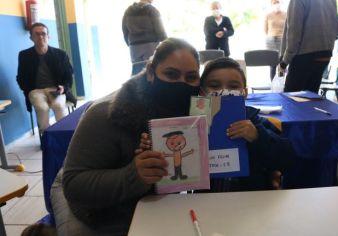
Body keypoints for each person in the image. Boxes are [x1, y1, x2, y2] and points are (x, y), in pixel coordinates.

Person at [57, 38, 200, 235]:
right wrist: (134, 175)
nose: (181, 84)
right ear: (150, 72)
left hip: (144, 202)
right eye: (171, 74)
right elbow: (73, 185)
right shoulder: (105, 113)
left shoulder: (194, 111)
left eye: (191, 77)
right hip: (88, 200)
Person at [139, 57, 296, 192]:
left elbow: (288, 158)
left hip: (251, 200)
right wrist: (155, 146)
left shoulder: (257, 122)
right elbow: (173, 164)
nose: (223, 91)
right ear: (202, 92)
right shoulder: (190, 125)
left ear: (244, 92)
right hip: (205, 202)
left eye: (233, 86)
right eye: (214, 86)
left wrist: (258, 136)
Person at [16, 22, 76, 135]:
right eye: (37, 34)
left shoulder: (60, 54)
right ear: (31, 38)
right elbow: (20, 77)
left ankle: (64, 136)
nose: (40, 37)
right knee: (42, 107)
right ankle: (46, 137)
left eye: (43, 34)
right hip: (36, 91)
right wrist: (28, 90)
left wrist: (64, 87)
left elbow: (68, 74)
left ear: (48, 36)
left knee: (58, 105)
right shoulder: (24, 55)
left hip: (56, 89)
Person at [279, 0, 338, 93]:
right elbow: (336, 29)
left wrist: (284, 62)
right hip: (325, 54)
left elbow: (294, 35)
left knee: (290, 98)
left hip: (304, 55)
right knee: (311, 98)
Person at [264, 0, 286, 80]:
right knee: (272, 64)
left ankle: (280, 82)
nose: (277, 4)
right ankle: (272, 83)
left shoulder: (285, 14)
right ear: (271, 4)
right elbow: (265, 30)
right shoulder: (268, 15)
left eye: (278, 2)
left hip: (282, 41)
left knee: (282, 63)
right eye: (275, 2)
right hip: (271, 41)